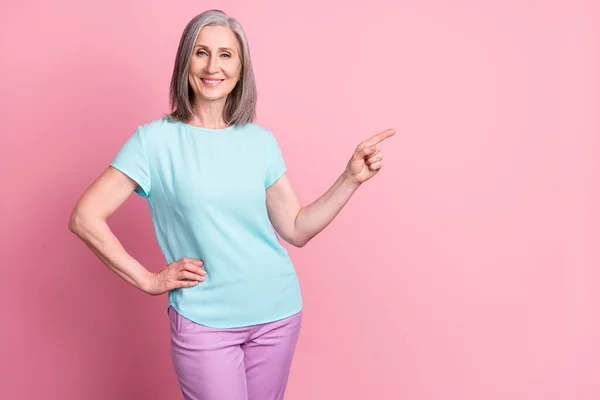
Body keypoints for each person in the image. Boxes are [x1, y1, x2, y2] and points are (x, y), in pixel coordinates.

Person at [68, 9, 394, 400]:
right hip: (204, 320)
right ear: (185, 61)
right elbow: (85, 217)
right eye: (201, 52)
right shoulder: (153, 142)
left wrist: (350, 179)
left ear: (241, 69)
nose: (212, 66)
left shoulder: (259, 141)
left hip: (277, 313)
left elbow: (296, 228)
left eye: (226, 55)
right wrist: (148, 280)